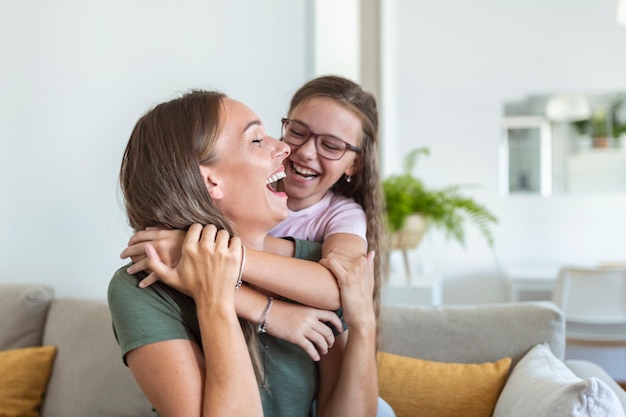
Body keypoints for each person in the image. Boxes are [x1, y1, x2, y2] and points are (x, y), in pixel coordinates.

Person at [122, 76, 395, 416]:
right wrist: (246, 303)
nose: (290, 150)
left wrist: (215, 260)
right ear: (211, 181)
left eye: (332, 145)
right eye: (256, 139)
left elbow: (334, 289)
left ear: (354, 163)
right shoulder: (142, 283)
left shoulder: (318, 254)